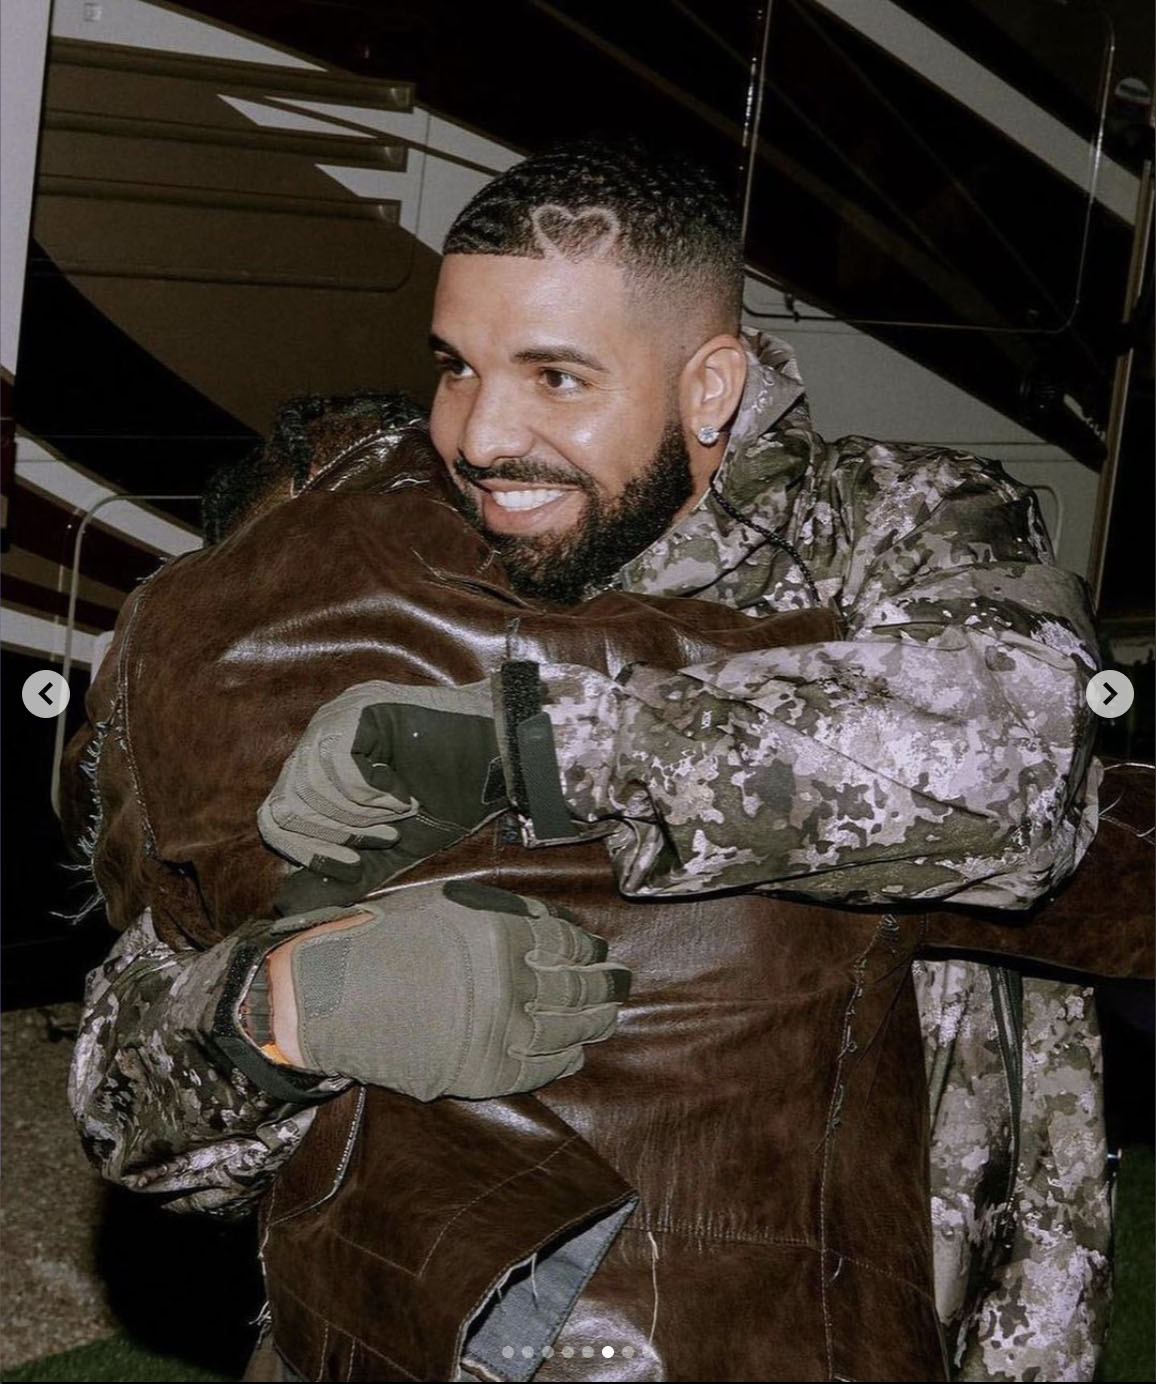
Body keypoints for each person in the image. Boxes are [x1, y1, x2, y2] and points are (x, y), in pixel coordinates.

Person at [64, 139, 1114, 1381]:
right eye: (454, 367)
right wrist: (282, 1009)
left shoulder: (894, 535)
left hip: (825, 1328)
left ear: (709, 383)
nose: (481, 433)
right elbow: (119, 1102)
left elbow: (1020, 760)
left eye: (556, 377)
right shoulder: (349, 575)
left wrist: (537, 740)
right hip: (391, 1331)